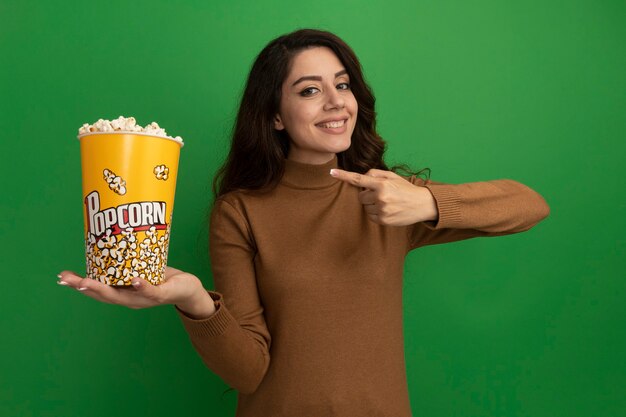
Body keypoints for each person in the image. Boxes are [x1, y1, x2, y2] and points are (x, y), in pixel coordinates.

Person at [58, 28, 550, 416]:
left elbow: (528, 205)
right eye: (310, 90)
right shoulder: (240, 211)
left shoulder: (387, 196)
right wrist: (191, 298)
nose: (336, 101)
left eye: (342, 85)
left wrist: (427, 205)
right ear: (275, 116)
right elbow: (248, 372)